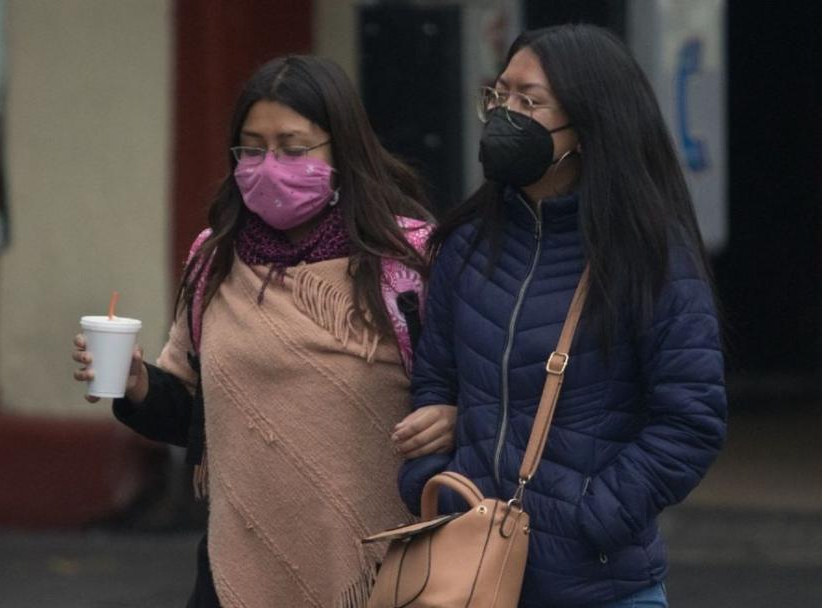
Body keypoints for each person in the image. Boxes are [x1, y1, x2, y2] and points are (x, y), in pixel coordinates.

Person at [73, 55, 455, 608]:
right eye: (252, 150)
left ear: (342, 151)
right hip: (237, 566)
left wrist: (452, 416)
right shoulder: (215, 259)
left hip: (385, 571)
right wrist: (136, 384)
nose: (270, 167)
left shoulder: (408, 260)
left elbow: (478, 389)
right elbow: (195, 415)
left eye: (293, 149)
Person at [400, 24, 727, 608]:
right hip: (468, 575)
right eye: (499, 95)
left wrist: (591, 518)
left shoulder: (648, 256)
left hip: (599, 586)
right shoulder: (467, 245)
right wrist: (429, 480)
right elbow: (435, 381)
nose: (506, 114)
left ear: (589, 124)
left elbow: (690, 420)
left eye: (530, 102)